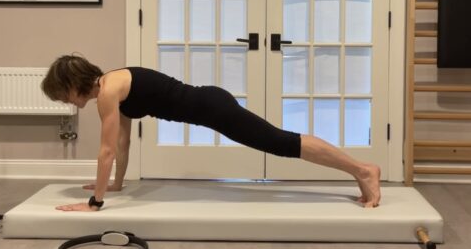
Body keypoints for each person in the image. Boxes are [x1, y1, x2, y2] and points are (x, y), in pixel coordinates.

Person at [41, 54, 381, 211]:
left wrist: (95, 203)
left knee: (280, 142)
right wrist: (116, 185)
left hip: (211, 108)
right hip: (210, 102)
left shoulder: (107, 93)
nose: (64, 101)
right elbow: (122, 143)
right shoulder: (112, 84)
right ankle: (359, 170)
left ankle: (363, 169)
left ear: (72, 85)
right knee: (278, 141)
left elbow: (106, 152)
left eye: (61, 95)